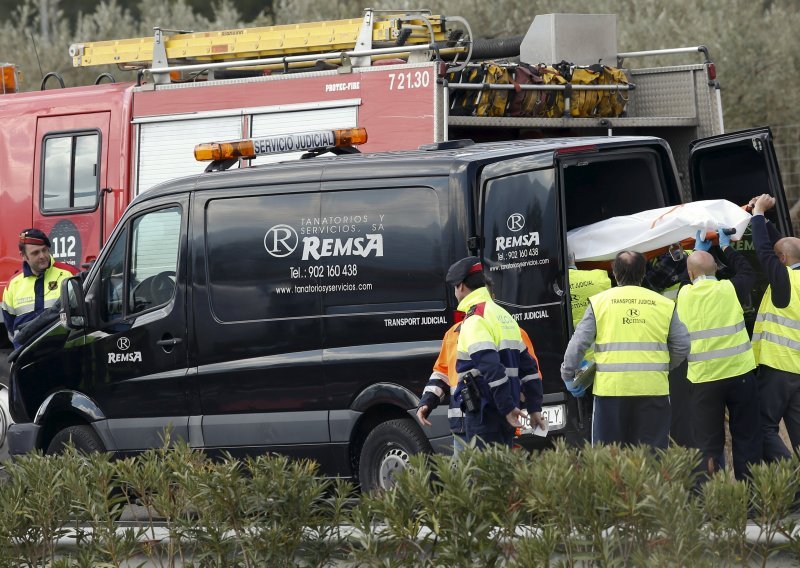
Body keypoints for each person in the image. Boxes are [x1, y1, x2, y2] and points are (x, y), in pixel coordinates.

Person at [561, 251, 690, 449]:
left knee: (609, 458)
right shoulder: (664, 304)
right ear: (643, 272)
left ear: (615, 272)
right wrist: (661, 367)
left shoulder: (600, 302)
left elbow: (578, 343)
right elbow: (682, 345)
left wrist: (569, 374)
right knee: (652, 455)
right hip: (653, 389)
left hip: (611, 392)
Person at [675, 229, 761, 480]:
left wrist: (697, 252)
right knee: (747, 437)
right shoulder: (730, 288)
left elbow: (688, 276)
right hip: (740, 375)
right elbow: (748, 271)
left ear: (691, 274)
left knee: (708, 444)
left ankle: (713, 501)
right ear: (716, 270)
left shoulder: (684, 294)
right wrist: (725, 248)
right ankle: (753, 501)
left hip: (704, 381)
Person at [449, 257, 546, 448]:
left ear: (460, 286)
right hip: (505, 415)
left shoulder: (475, 319)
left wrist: (507, 408)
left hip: (485, 415)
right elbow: (529, 368)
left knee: (484, 475)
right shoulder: (503, 315)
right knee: (503, 472)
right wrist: (534, 408)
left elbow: (491, 368)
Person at [416, 310, 541, 453]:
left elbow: (531, 376)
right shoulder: (453, 333)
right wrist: (427, 401)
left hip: (495, 425)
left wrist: (512, 405)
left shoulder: (512, 330)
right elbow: (442, 373)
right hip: (461, 428)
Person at [749, 194, 800, 461]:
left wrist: (758, 213)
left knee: (763, 427)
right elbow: (784, 247)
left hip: (778, 368)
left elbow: (765, 250)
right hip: (798, 371)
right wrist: (763, 220)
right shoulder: (792, 275)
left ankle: (789, 478)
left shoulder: (784, 280)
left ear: (781, 260)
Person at [1, 228, 78, 349]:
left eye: (44, 250)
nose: (42, 256)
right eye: (35, 253)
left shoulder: (69, 274)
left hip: (64, 354)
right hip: (27, 356)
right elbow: (11, 329)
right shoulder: (12, 285)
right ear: (23, 256)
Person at [567, 248, 612, 362]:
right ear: (573, 257)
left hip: (569, 358)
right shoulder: (599, 277)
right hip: (600, 355)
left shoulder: (546, 286)